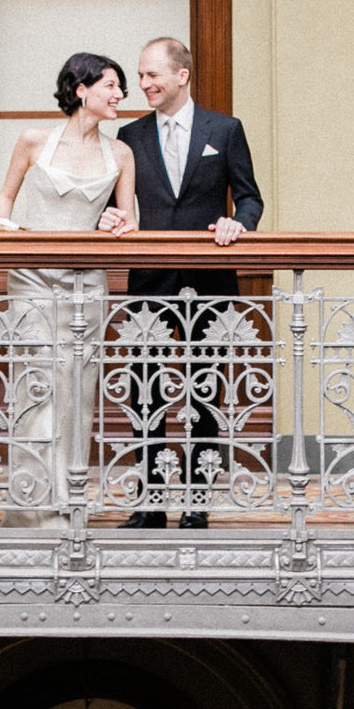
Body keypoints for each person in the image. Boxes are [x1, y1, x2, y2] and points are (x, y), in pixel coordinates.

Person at [111, 36, 263, 530]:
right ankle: (150, 501)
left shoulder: (226, 128)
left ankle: (198, 500)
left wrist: (238, 223)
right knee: (146, 390)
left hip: (209, 278)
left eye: (152, 75)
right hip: (151, 280)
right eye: (140, 75)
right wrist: (110, 221)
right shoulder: (129, 137)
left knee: (204, 392)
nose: (144, 84)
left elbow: (250, 198)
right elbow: (116, 205)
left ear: (183, 75)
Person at [0, 51, 138, 529]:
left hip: (86, 281)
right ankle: (31, 504)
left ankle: (70, 500)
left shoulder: (120, 153)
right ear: (81, 90)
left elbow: (131, 221)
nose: (119, 95)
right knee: (37, 384)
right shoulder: (33, 140)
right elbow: (4, 199)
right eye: (111, 85)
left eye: (120, 87)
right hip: (30, 277)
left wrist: (116, 220)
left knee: (76, 388)